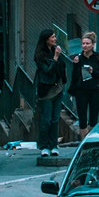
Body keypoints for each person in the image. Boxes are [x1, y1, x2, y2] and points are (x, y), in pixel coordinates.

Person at [33, 29, 67, 158]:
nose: (55, 39)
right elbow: (47, 71)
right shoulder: (40, 55)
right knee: (46, 119)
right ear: (46, 39)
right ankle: (44, 145)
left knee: (55, 119)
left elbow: (61, 67)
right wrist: (56, 57)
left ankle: (54, 145)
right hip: (46, 91)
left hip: (57, 88)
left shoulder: (55, 50)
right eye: (52, 37)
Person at [70, 32, 99, 132]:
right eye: (83, 43)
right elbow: (75, 76)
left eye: (87, 43)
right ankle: (83, 141)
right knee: (82, 118)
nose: (85, 46)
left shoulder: (98, 57)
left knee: (93, 118)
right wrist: (76, 65)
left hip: (94, 90)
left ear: (93, 44)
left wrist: (92, 71)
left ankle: (90, 139)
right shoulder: (79, 57)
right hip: (81, 90)